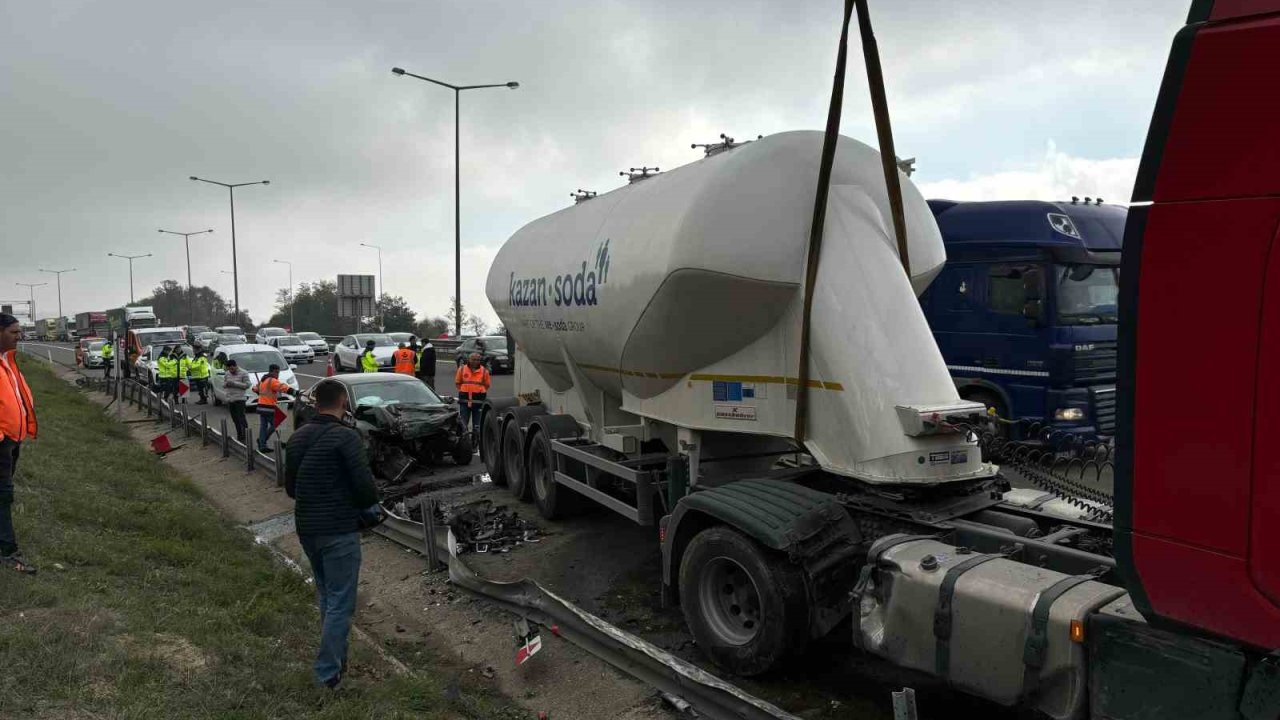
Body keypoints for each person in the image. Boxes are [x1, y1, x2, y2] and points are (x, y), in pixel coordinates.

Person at [285, 380, 380, 689]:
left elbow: (290, 488)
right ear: (343, 403)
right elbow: (366, 491)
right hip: (338, 530)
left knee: (327, 595)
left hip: (308, 529)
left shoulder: (298, 437)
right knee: (341, 602)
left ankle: (338, 661)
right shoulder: (347, 438)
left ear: (316, 403)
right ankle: (327, 675)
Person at [0, 314, 37, 574]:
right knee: (3, 496)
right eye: (14, 332)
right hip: (2, 442)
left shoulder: (7, 360)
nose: (19, 336)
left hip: (12, 440)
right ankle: (8, 552)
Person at [252, 364, 291, 453]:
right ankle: (263, 440)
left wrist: (258, 391)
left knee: (264, 426)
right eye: (277, 372)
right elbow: (282, 387)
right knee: (276, 424)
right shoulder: (272, 380)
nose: (278, 374)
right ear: (272, 371)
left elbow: (254, 388)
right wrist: (294, 392)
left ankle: (262, 445)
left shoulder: (263, 380)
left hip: (261, 406)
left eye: (278, 372)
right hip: (268, 407)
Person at [454, 352, 491, 439]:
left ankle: (475, 443)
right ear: (469, 360)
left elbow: (487, 385)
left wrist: (478, 391)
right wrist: (465, 391)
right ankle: (464, 442)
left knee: (477, 426)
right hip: (464, 402)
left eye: (478, 360)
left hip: (478, 402)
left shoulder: (484, 371)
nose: (476, 361)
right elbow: (458, 383)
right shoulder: (462, 369)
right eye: (473, 359)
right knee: (463, 424)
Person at [223, 358, 250, 443]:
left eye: (232, 369)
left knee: (241, 418)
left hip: (240, 399)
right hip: (230, 399)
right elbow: (224, 384)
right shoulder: (227, 373)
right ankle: (239, 435)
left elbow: (247, 385)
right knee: (235, 419)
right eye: (229, 369)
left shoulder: (244, 373)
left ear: (235, 366)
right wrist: (226, 384)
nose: (231, 371)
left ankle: (245, 435)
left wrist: (235, 384)